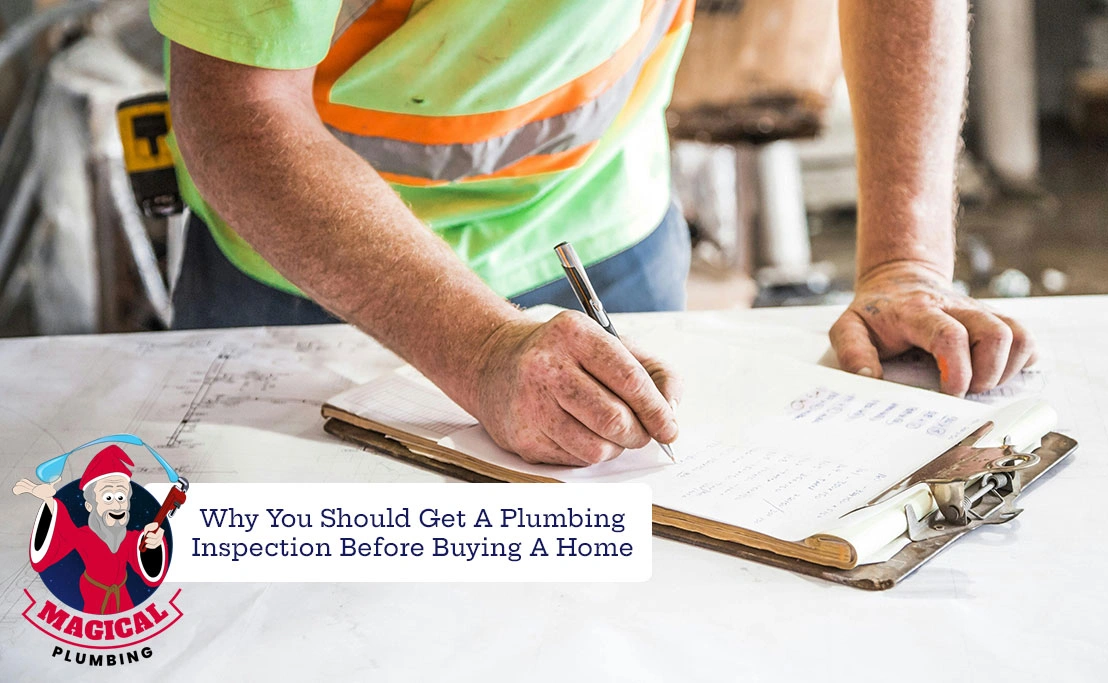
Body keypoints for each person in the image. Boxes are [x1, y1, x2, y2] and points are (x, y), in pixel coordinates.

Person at [149, 0, 1035, 466]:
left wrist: (904, 261)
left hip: (605, 230)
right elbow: (237, 110)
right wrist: (476, 343)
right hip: (310, 276)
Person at [13, 446, 167, 615]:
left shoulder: (129, 538)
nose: (116, 505)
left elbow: (144, 551)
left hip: (123, 598)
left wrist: (153, 544)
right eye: (108, 497)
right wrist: (49, 501)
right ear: (90, 505)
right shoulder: (84, 536)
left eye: (121, 497)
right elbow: (63, 529)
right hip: (95, 597)